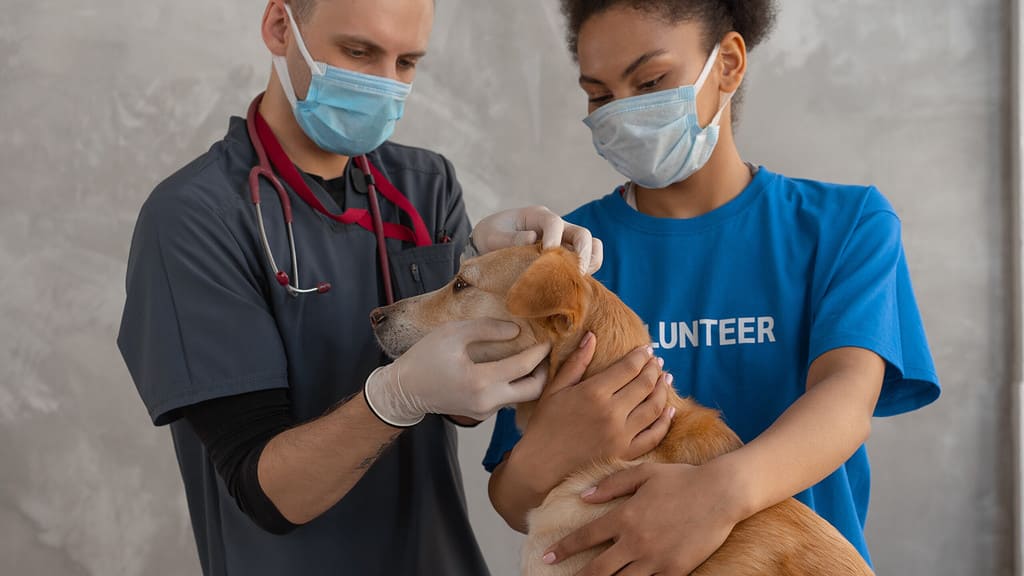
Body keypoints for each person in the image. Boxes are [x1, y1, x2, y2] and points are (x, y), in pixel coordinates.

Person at [116, 0, 672, 574]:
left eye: (406, 62)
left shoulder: (424, 185)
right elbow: (271, 493)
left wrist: (492, 275)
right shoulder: (194, 218)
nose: (385, 84)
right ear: (281, 28)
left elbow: (465, 407)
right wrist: (394, 398)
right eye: (358, 52)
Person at [485, 1, 941, 574]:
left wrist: (713, 496)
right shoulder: (567, 261)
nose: (623, 111)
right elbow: (511, 497)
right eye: (599, 95)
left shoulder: (845, 225)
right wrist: (546, 453)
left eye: (650, 81)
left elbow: (846, 403)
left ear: (727, 63)